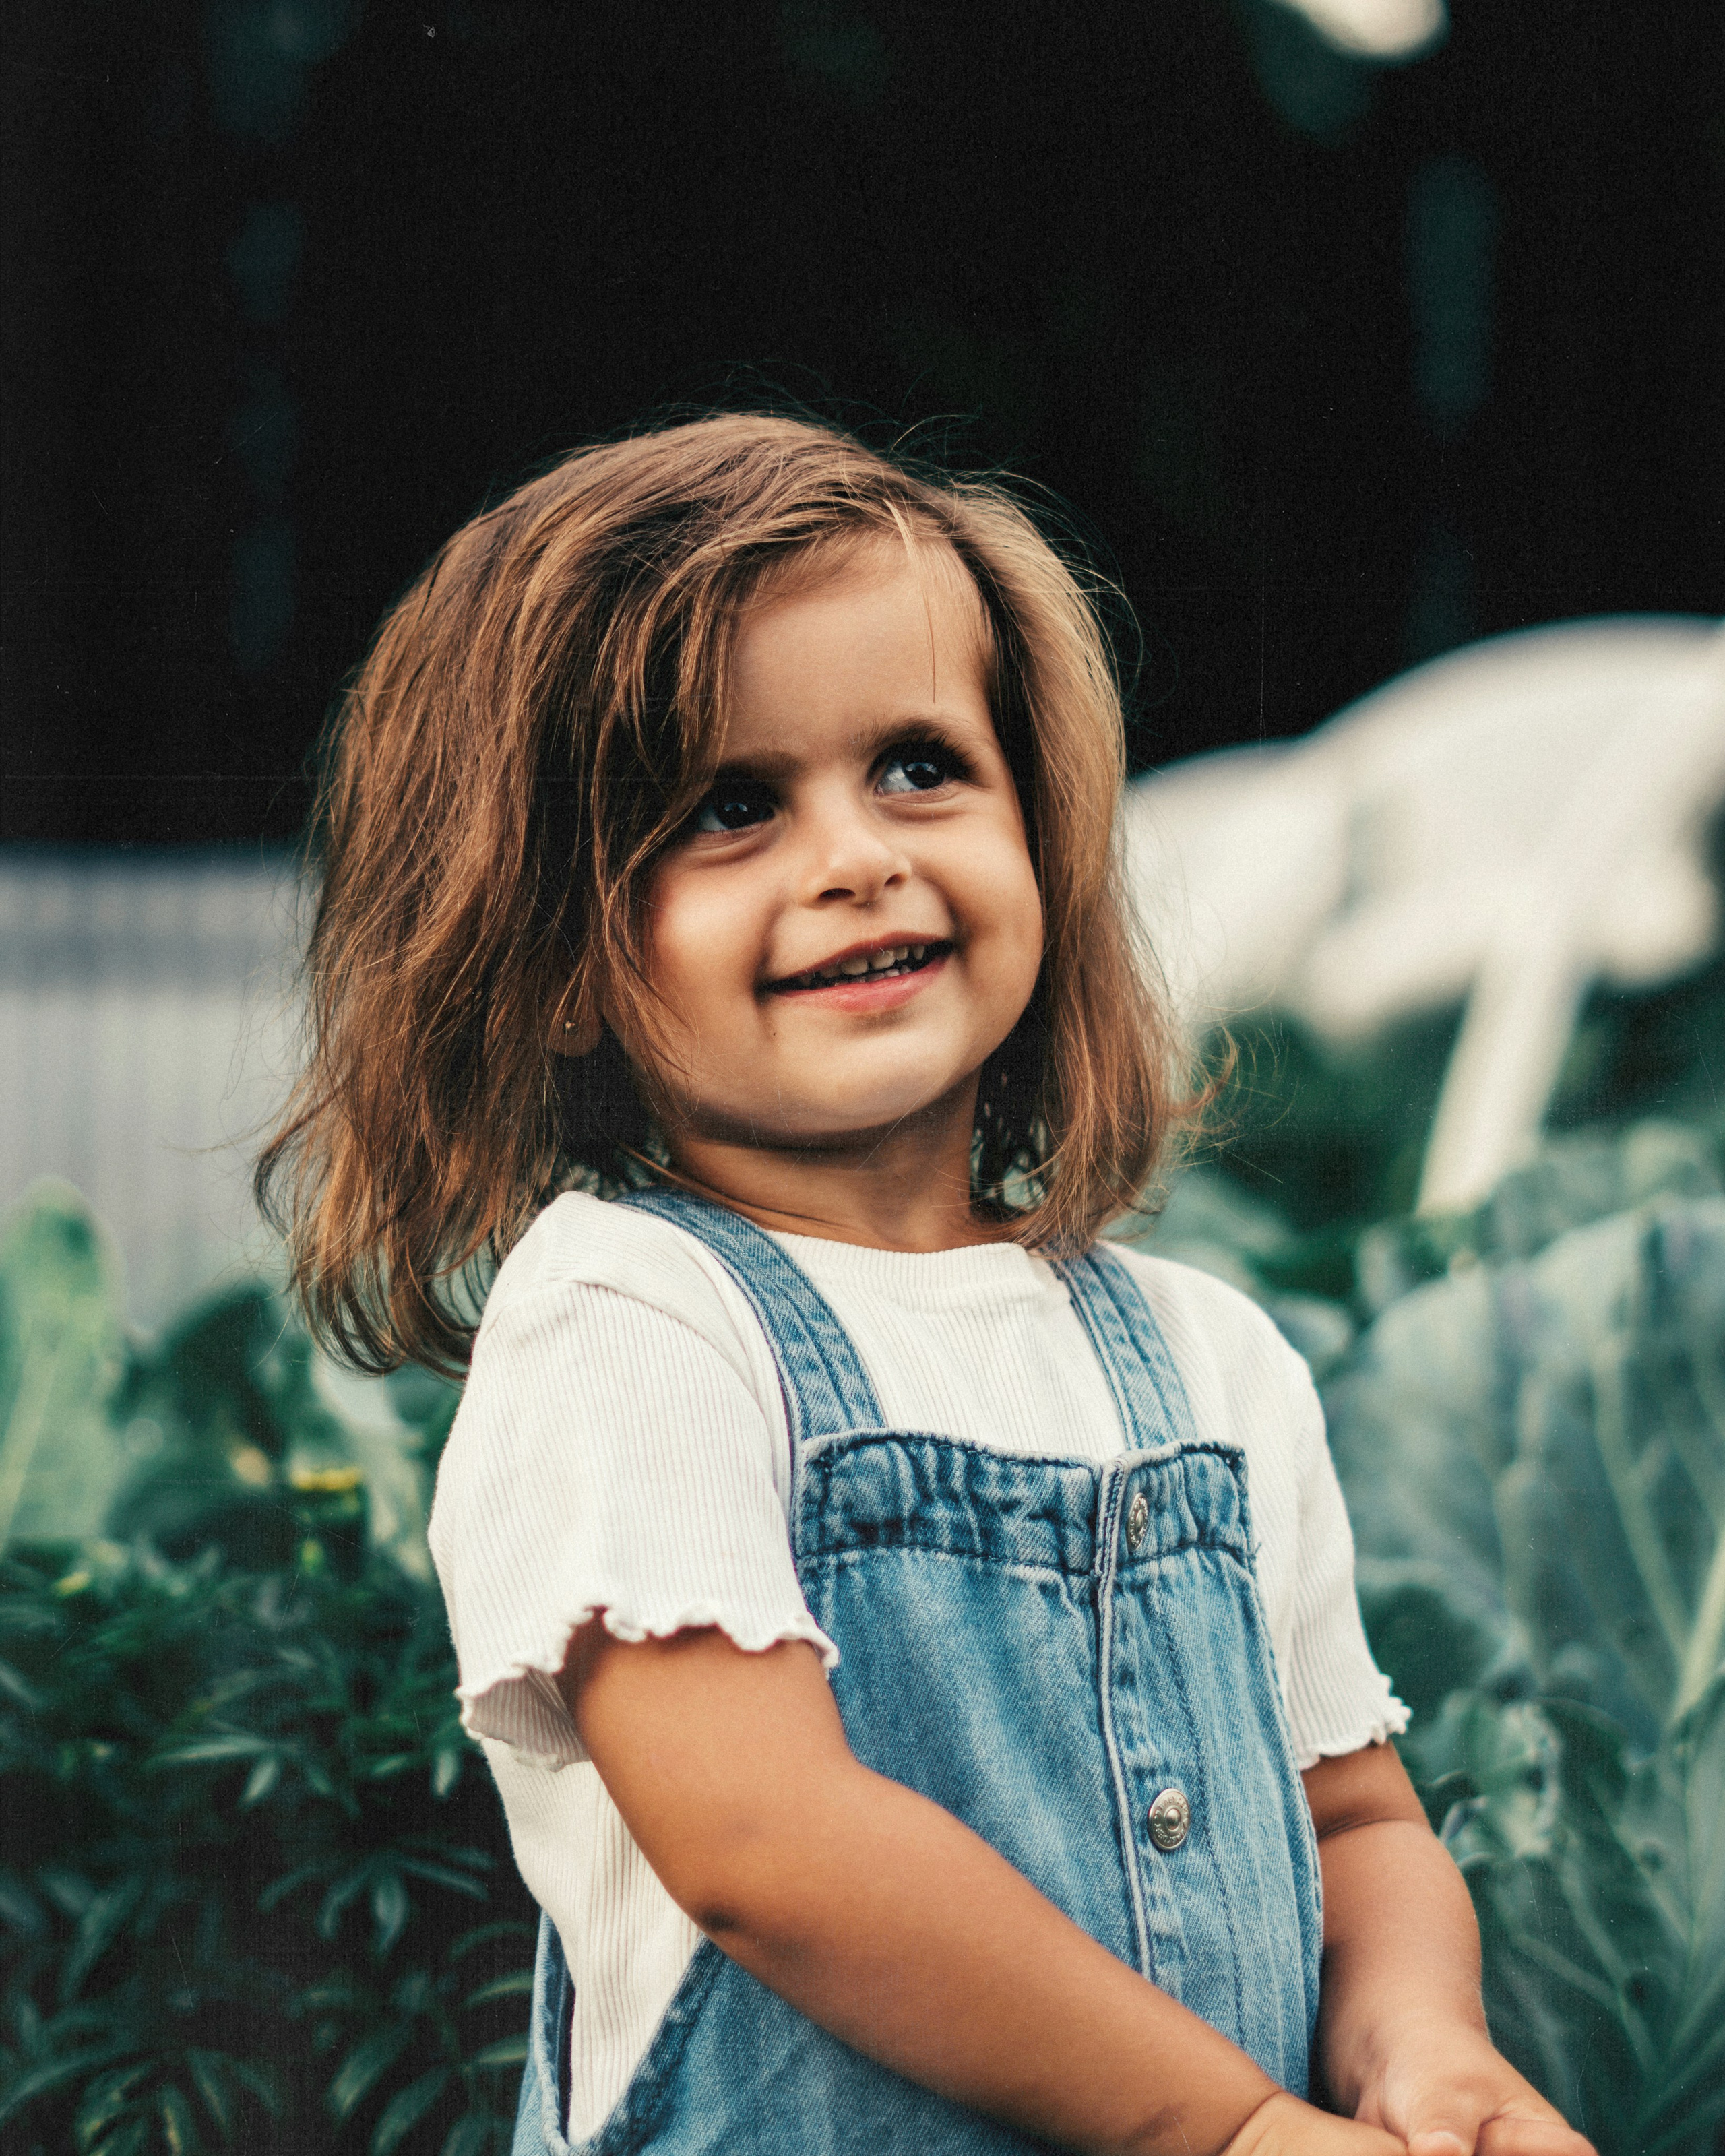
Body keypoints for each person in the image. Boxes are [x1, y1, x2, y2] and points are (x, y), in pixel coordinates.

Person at [259, 413, 1596, 2156]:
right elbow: (774, 1854)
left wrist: (1429, 2054)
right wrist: (1235, 2131)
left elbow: (1355, 1829)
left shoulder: (1215, 1363)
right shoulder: (635, 1328)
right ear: (557, 954)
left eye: (917, 768)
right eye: (733, 807)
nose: (856, 854)